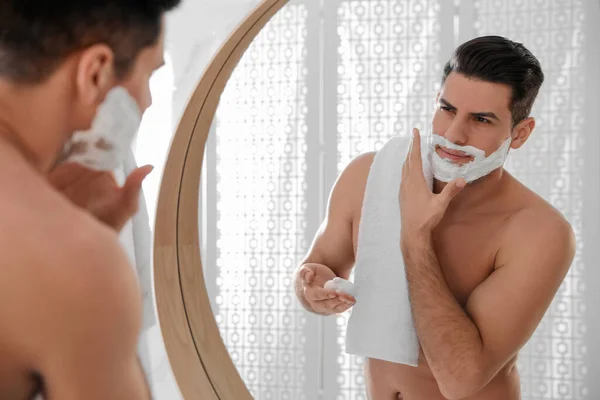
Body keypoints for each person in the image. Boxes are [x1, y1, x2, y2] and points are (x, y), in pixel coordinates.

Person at [294, 36, 575, 399]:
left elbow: (461, 379)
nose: (454, 134)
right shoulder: (370, 176)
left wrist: (414, 235)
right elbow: (319, 267)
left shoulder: (538, 231)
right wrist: (311, 289)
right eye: (447, 109)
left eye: (481, 119)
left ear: (519, 133)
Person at [0, 1, 180, 398]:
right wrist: (85, 253)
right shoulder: (76, 264)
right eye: (150, 73)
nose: (147, 100)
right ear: (96, 72)